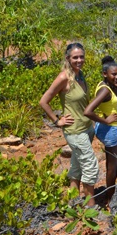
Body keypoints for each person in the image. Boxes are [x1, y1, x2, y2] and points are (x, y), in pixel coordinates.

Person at [40, 43, 98, 207]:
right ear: (68, 58)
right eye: (75, 57)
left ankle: (72, 201)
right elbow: (44, 101)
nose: (79, 60)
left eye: (81, 56)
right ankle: (90, 207)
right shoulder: (64, 77)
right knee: (90, 165)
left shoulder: (80, 75)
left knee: (78, 164)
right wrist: (57, 121)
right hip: (75, 131)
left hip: (87, 128)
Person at [84, 60, 117, 203]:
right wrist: (105, 120)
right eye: (114, 74)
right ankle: (111, 198)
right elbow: (88, 111)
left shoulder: (105, 85)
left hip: (108, 128)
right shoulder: (106, 90)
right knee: (112, 166)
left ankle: (110, 194)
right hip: (111, 129)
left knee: (111, 164)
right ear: (105, 74)